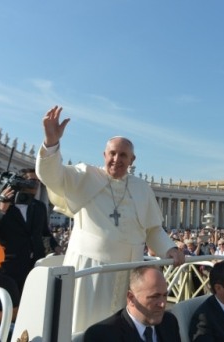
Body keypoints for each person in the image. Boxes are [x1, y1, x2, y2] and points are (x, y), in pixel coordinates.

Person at [35, 106, 184, 332]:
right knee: (84, 326)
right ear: (104, 155)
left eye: (123, 155)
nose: (116, 159)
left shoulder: (141, 188)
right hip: (90, 271)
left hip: (130, 271)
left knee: (123, 329)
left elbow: (153, 229)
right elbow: (51, 176)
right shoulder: (85, 176)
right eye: (112, 153)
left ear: (132, 159)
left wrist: (169, 249)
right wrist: (51, 143)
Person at [0, 168, 61, 293]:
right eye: (32, 180)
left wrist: (55, 247)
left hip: (34, 267)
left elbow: (44, 233)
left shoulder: (39, 206)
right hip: (6, 268)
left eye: (38, 181)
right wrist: (1, 211)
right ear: (19, 182)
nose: (36, 185)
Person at [84, 265, 181, 342]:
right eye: (154, 297)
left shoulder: (169, 322)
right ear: (131, 298)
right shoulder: (101, 336)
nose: (163, 304)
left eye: (165, 295)